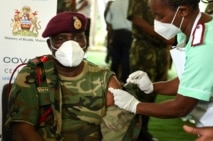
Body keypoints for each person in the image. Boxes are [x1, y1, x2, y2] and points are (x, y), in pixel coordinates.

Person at [109, 0, 213, 139]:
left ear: (182, 11)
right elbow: (189, 80)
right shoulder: (188, 29)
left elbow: (181, 107)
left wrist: (135, 105)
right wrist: (152, 87)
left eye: (160, 16)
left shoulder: (207, 44)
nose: (156, 21)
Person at [5, 12, 140, 141]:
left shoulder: (105, 79)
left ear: (85, 41)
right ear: (49, 44)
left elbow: (116, 132)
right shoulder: (33, 75)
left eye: (77, 38)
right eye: (60, 39)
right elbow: (21, 131)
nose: (70, 45)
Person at [126, 0, 172, 140]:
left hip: (161, 50)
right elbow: (136, 18)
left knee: (152, 92)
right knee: (139, 92)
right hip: (144, 49)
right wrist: (160, 35)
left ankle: (143, 132)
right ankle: (133, 133)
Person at [105, 0, 132, 83]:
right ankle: (125, 81)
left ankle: (112, 80)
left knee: (115, 58)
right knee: (126, 59)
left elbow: (108, 20)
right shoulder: (131, 3)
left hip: (116, 34)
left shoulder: (113, 3)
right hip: (129, 34)